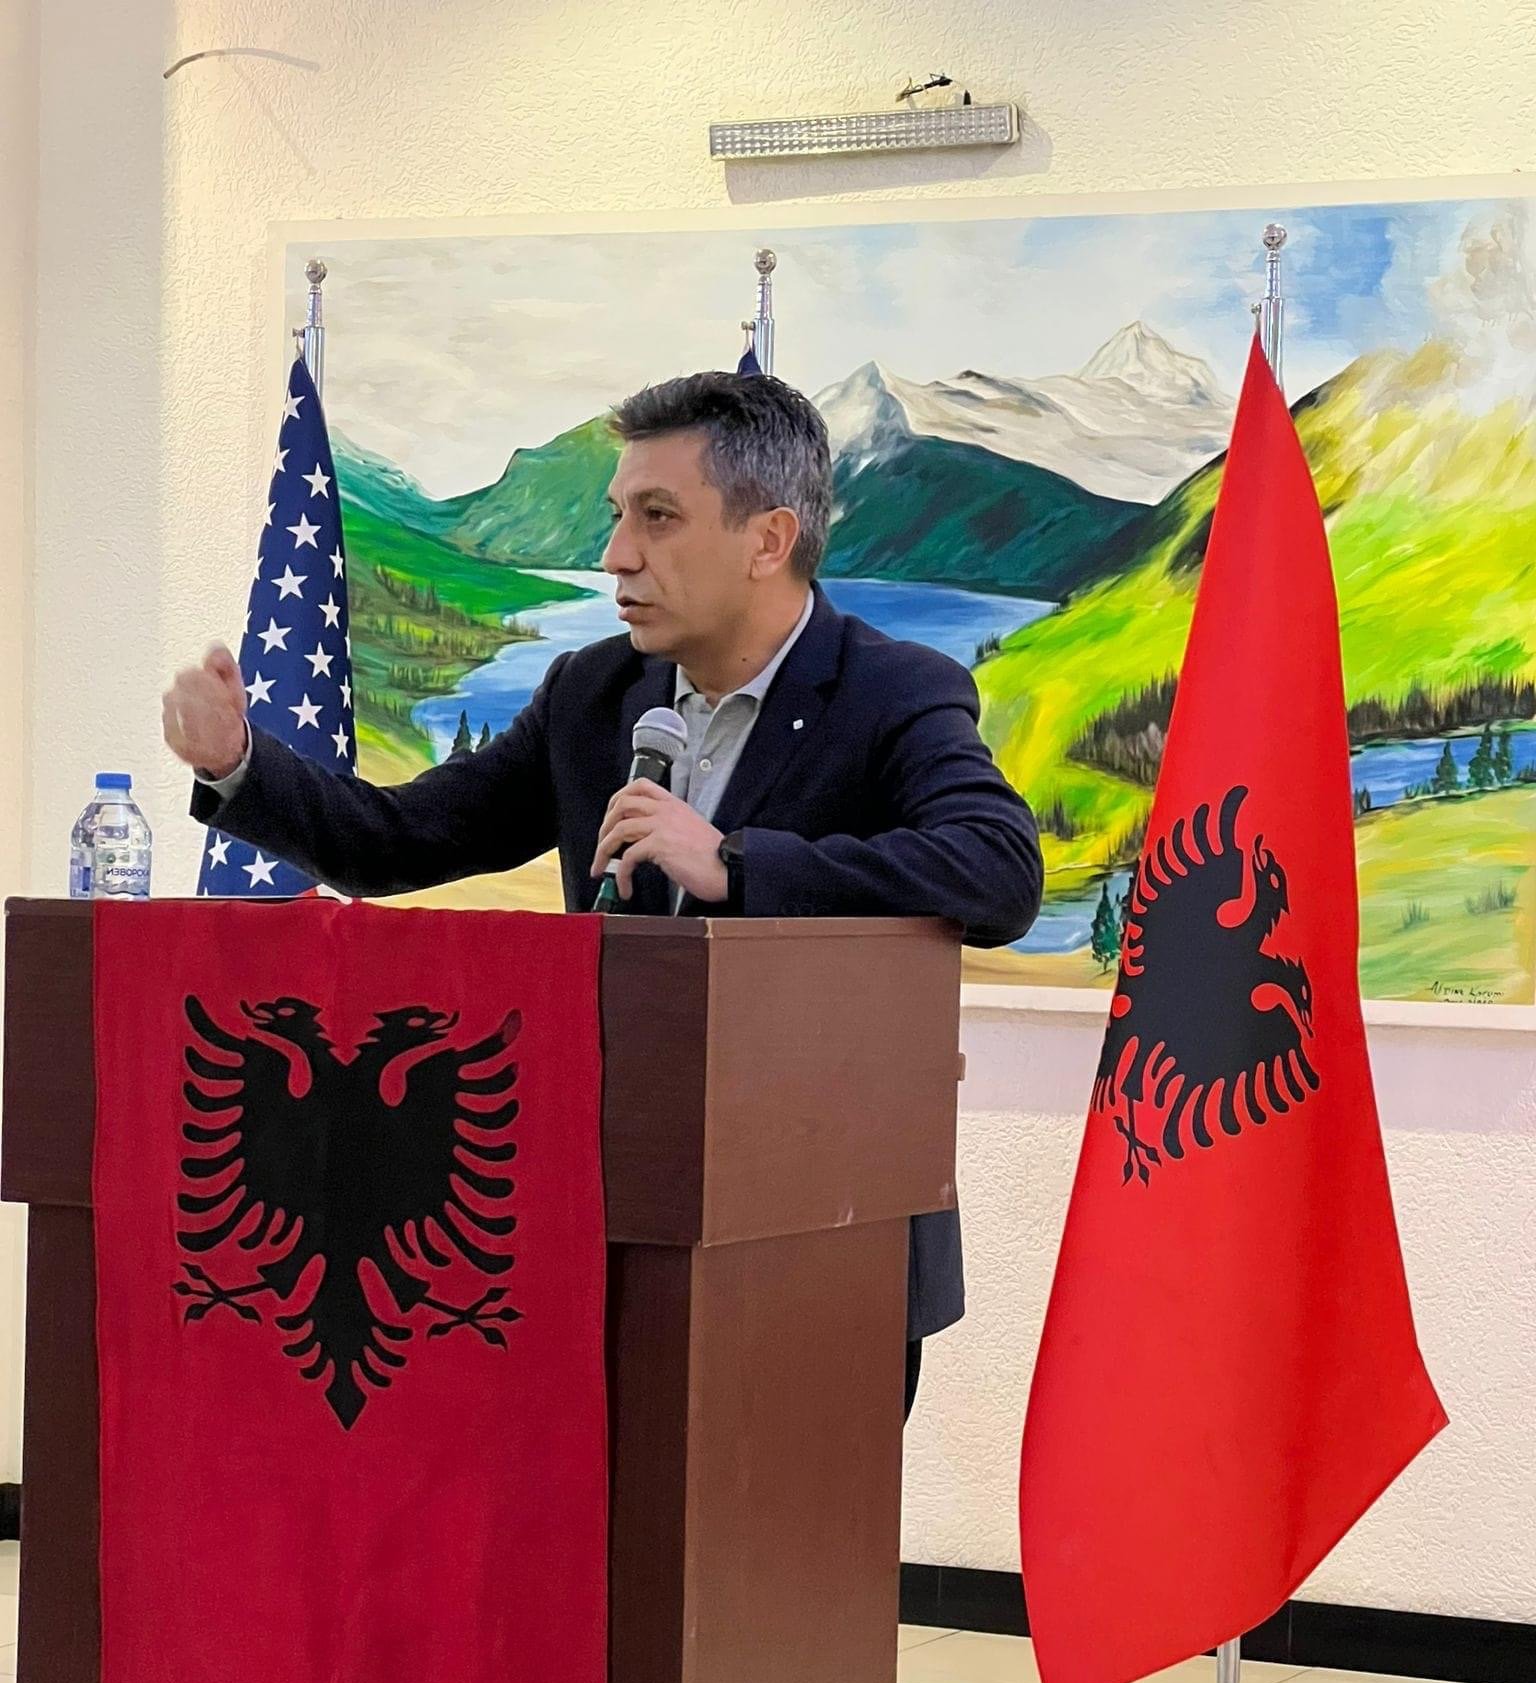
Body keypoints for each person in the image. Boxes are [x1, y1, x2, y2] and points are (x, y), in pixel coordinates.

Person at [163, 371, 1044, 1419]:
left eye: (657, 518)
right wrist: (240, 763)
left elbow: (997, 870)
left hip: (825, 1238)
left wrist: (737, 866)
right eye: (618, 515)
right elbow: (396, 843)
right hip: (603, 1217)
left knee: (781, 1515)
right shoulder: (593, 692)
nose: (616, 555)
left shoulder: (892, 691)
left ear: (768, 540)